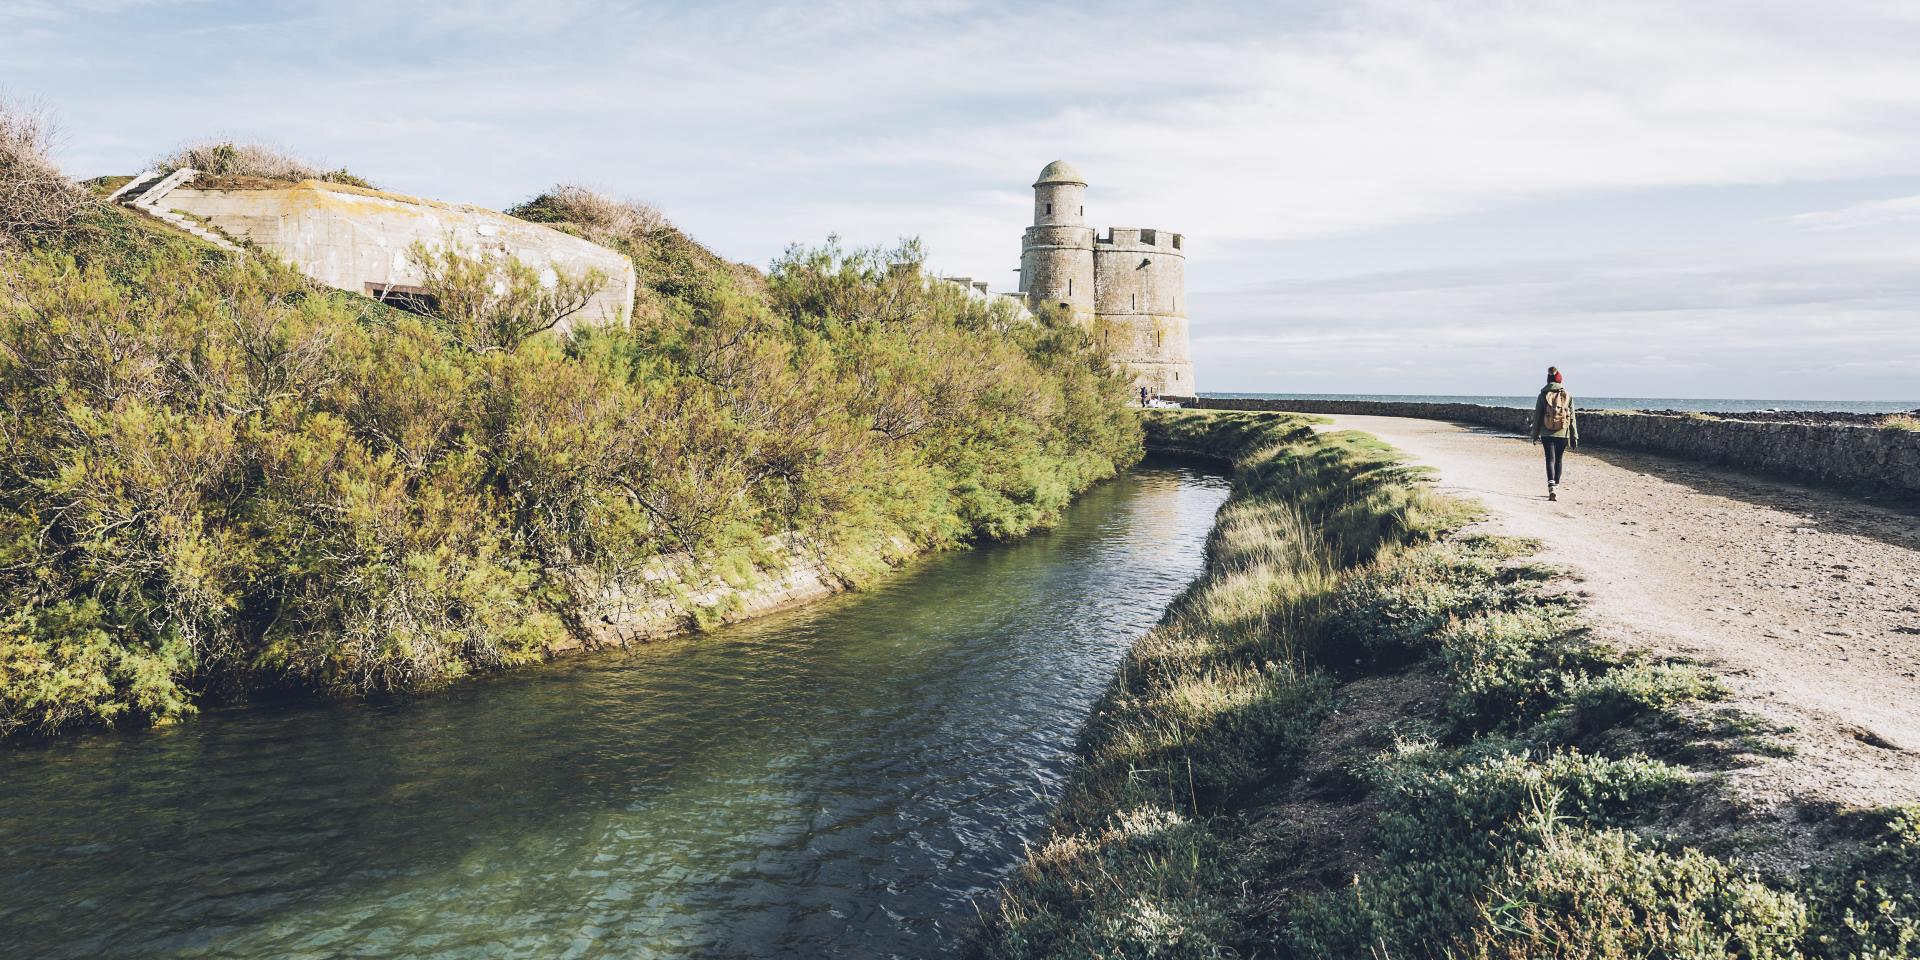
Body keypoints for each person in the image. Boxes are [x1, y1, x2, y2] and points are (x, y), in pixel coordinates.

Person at [1530, 366, 1578, 500]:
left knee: (1550, 459)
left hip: (1546, 433)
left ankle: (1551, 488)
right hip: (1563, 433)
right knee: (1559, 460)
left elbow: (1537, 417)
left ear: (1548, 380)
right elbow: (1572, 417)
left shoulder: (1543, 395)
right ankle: (1556, 487)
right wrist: (1574, 436)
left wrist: (1535, 435)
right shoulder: (1567, 395)